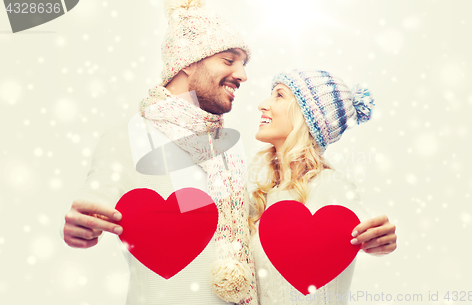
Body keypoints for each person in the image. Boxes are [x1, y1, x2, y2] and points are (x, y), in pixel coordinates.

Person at [62, 0, 258, 304]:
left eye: (243, 63)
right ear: (188, 62)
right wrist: (81, 221)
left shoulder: (231, 149)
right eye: (229, 60)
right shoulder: (128, 136)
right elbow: (96, 196)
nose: (242, 74)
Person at [248, 69, 397, 304]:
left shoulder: (329, 185)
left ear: (306, 117)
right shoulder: (260, 195)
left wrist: (382, 239)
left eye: (279, 95)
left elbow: (368, 231)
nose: (263, 105)